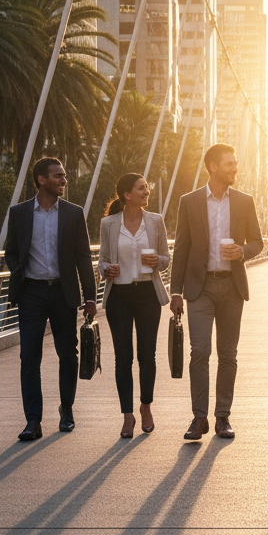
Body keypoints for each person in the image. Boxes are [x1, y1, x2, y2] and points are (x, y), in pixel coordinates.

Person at [169, 143, 263, 441]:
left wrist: (242, 251)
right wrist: (175, 291)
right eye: (229, 164)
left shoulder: (245, 201)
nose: (235, 168)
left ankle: (222, 416)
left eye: (235, 163)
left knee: (228, 353)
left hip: (232, 287)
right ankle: (199, 418)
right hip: (200, 287)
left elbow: (258, 243)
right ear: (213, 167)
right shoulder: (190, 201)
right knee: (200, 352)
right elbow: (181, 248)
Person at [4, 157, 97, 441]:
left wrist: (90, 297)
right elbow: (11, 251)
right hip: (31, 292)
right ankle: (33, 420)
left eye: (64, 176)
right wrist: (18, 271)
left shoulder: (73, 213)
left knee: (68, 355)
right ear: (41, 180)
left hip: (62, 293)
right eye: (58, 176)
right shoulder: (19, 212)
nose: (63, 180)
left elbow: (83, 256)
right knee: (29, 356)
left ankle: (66, 410)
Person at [99, 173, 171, 439]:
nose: (147, 191)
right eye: (141, 188)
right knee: (122, 358)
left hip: (147, 295)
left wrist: (158, 262)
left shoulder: (155, 221)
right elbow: (102, 261)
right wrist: (107, 269)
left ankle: (146, 406)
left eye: (147, 188)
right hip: (119, 295)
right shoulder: (108, 223)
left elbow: (166, 258)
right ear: (127, 195)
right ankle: (127, 415)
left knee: (147, 356)